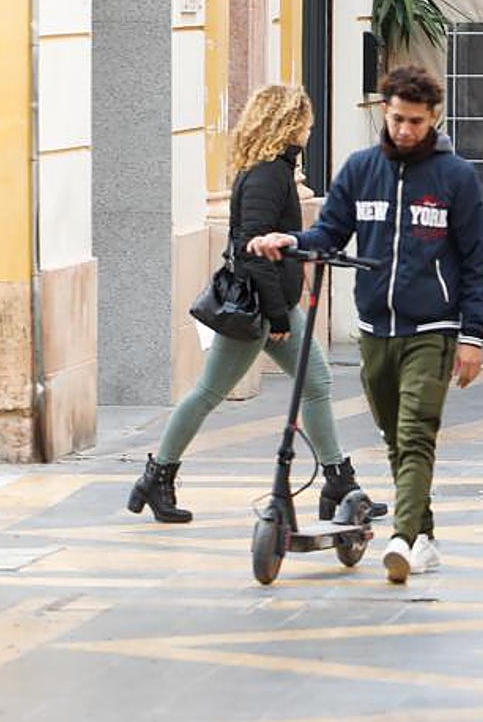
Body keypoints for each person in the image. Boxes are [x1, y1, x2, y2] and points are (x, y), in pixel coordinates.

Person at [249, 65, 483, 584]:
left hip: (435, 326)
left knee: (415, 431)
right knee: (393, 436)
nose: (406, 130)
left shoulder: (456, 178)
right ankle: (423, 536)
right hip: (376, 328)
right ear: (385, 111)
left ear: (434, 119)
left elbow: (477, 261)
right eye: (399, 118)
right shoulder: (361, 170)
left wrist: (471, 338)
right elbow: (331, 232)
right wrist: (291, 243)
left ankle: (403, 539)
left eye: (417, 122)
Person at [128, 85, 376, 524]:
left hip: (270, 303)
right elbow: (251, 247)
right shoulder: (267, 174)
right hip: (259, 308)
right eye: (306, 121)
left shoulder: (272, 170)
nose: (311, 128)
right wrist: (277, 313)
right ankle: (156, 475)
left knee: (316, 381)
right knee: (208, 392)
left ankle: (339, 481)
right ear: (288, 124)